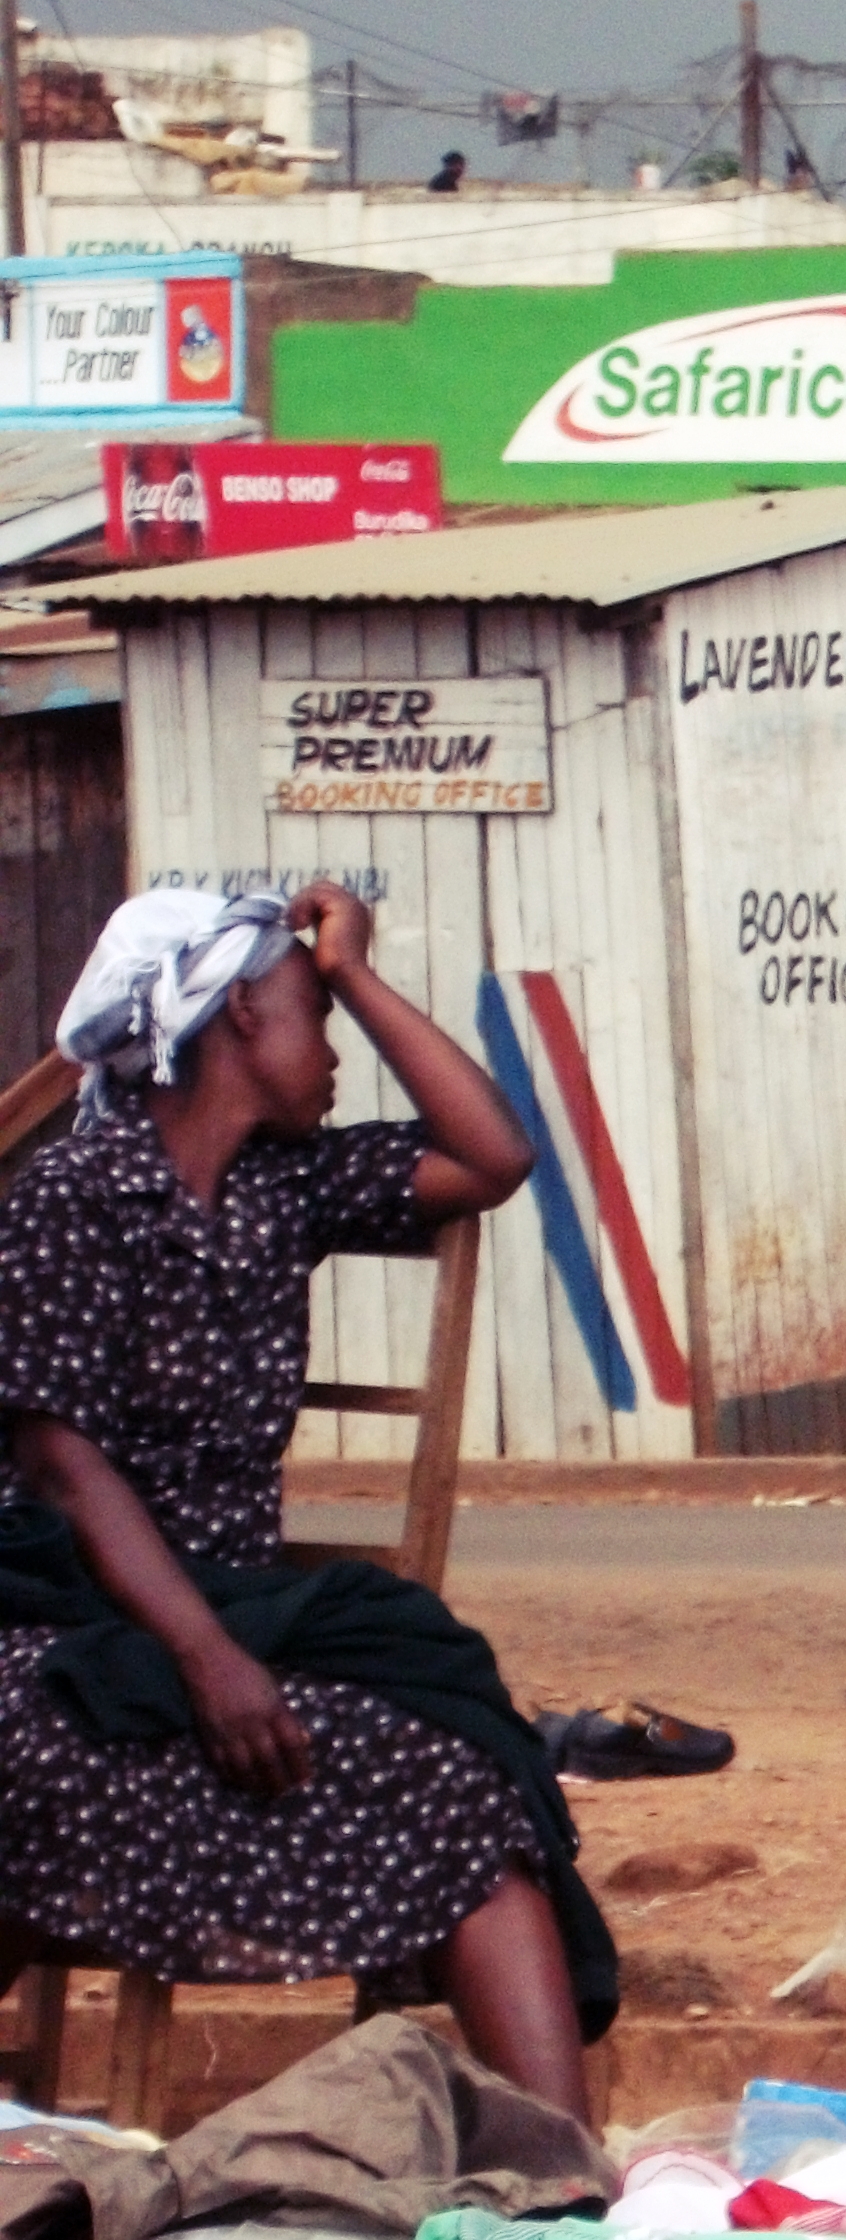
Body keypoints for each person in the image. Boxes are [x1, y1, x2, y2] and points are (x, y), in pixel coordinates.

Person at [0, 883, 594, 2123]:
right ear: (237, 1027)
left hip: (241, 1617)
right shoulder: (66, 1199)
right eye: (315, 1017)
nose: (333, 1049)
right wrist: (208, 1658)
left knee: (462, 1766)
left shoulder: (285, 1189)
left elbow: (496, 1155)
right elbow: (64, 1469)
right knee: (66, 1751)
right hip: (64, 1619)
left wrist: (358, 973)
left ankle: (570, 2180)